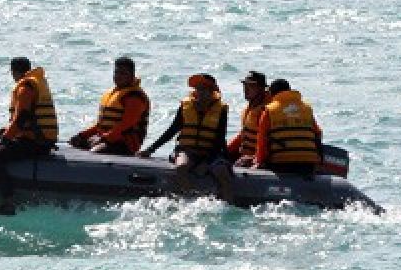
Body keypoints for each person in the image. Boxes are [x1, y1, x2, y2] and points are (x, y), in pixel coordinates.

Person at [138, 73, 234, 202]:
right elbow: (172, 130)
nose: (201, 92)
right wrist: (150, 149)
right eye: (198, 88)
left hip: (211, 153)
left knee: (222, 172)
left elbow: (219, 139)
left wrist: (206, 162)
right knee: (181, 167)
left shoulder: (221, 110)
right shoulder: (185, 106)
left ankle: (228, 204)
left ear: (213, 91)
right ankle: (193, 200)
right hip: (187, 150)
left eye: (205, 89)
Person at [0, 57, 58, 216]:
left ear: (14, 71)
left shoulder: (25, 88)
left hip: (35, 142)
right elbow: (26, 120)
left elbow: (21, 119)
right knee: (1, 146)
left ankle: (8, 203)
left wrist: (4, 140)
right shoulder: (36, 82)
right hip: (39, 139)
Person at [69, 56, 150, 156]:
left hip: (126, 143)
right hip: (106, 138)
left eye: (123, 73)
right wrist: (82, 135)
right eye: (116, 72)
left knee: (95, 152)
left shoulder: (134, 97)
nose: (118, 76)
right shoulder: (112, 93)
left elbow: (126, 125)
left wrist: (103, 138)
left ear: (132, 76)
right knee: (76, 143)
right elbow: (100, 125)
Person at [252, 78, 323, 177]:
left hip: (281, 164)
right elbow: (318, 133)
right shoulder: (307, 109)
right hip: (308, 164)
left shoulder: (269, 110)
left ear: (272, 93)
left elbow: (262, 140)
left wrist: (259, 162)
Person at [225, 70, 267, 168]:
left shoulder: (266, 110)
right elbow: (243, 136)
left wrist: (254, 158)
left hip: (258, 157)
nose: (246, 89)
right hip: (245, 154)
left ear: (261, 89)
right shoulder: (248, 109)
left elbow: (269, 141)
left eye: (251, 86)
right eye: (245, 85)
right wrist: (226, 151)